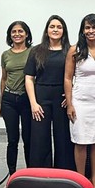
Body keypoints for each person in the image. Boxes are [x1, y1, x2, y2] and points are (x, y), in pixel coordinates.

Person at [64, 14, 95, 188]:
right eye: (87, 28)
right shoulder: (74, 50)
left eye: (94, 27)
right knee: (81, 141)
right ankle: (81, 179)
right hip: (80, 101)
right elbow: (68, 78)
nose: (91, 31)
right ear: (82, 30)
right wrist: (69, 104)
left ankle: (94, 179)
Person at [24, 15, 74, 170]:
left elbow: (76, 76)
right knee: (39, 138)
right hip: (41, 98)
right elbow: (29, 78)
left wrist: (70, 96)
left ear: (64, 31)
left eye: (59, 27)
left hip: (62, 99)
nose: (55, 30)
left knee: (63, 138)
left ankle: (64, 174)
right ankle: (40, 174)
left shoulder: (70, 51)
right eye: (52, 27)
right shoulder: (36, 51)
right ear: (47, 31)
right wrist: (33, 103)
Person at [0, 21, 33, 175]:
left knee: (28, 138)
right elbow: (4, 78)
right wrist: (0, 101)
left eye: (20, 31)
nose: (17, 34)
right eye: (14, 31)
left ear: (26, 34)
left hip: (26, 100)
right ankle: (12, 174)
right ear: (9, 35)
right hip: (9, 100)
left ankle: (31, 172)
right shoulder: (6, 55)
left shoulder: (33, 52)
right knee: (12, 140)